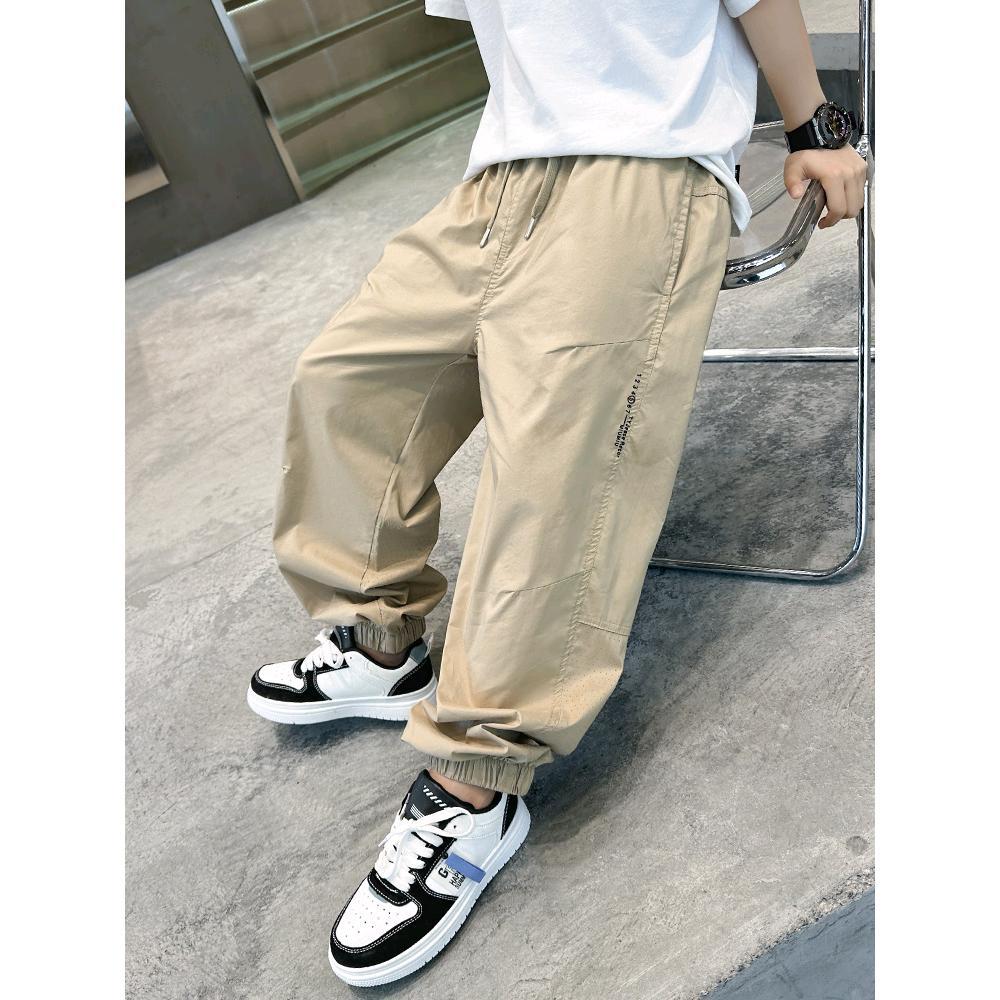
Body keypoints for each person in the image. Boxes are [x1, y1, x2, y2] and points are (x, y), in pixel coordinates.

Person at [245, 0, 867, 986]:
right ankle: (378, 638)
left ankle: (473, 785)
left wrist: (815, 126)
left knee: (555, 465)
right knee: (347, 381)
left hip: (646, 169)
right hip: (503, 172)